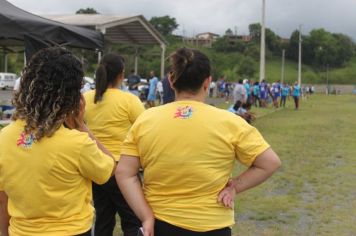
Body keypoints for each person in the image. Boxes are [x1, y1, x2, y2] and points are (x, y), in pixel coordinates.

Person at [115, 48, 281, 236]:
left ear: (171, 81)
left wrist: (146, 217)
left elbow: (125, 173)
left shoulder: (145, 120)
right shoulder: (230, 122)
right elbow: (270, 163)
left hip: (160, 223)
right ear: (208, 82)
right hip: (213, 225)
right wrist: (234, 187)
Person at [0, 47, 116, 236]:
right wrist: (82, 127)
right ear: (72, 97)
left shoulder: (4, 138)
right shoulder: (77, 143)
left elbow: (2, 198)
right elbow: (110, 168)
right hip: (72, 231)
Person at [84, 53, 144, 236]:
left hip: (96, 169)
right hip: (122, 170)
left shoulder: (86, 98)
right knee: (133, 220)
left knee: (103, 219)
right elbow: (146, 130)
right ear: (121, 75)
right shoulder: (129, 100)